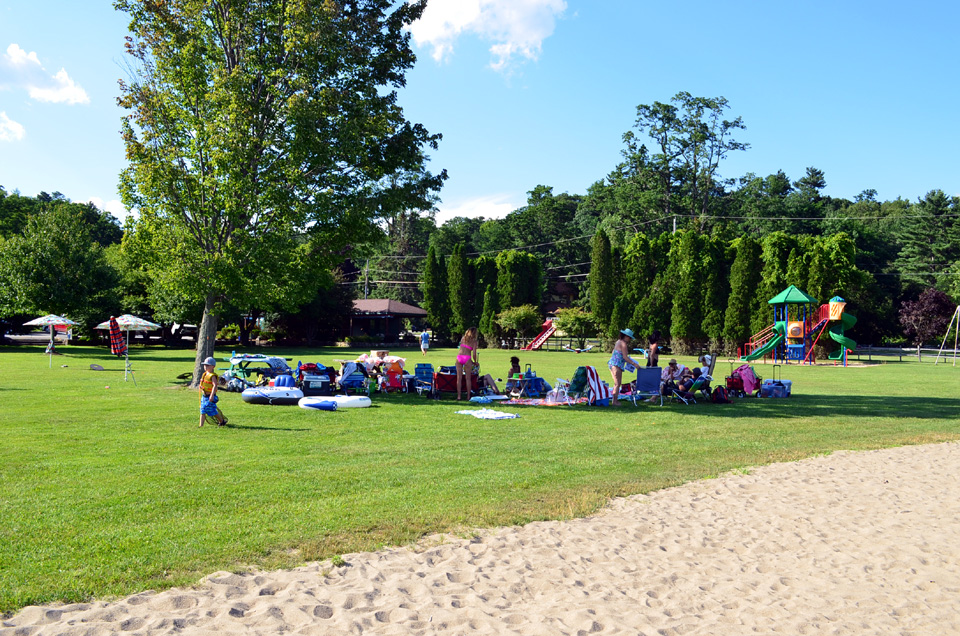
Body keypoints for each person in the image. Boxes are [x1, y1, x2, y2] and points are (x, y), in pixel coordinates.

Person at [608, 328, 644, 406]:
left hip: (612, 364)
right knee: (617, 384)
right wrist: (634, 364)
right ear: (626, 336)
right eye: (630, 338)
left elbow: (613, 352)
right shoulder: (623, 344)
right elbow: (625, 357)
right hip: (616, 365)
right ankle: (615, 401)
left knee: (616, 383)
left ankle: (614, 400)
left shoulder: (618, 342)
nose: (630, 340)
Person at [198, 356, 228, 427]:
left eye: (208, 365)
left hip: (210, 396)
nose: (206, 367)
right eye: (205, 365)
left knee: (212, 410)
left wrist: (211, 395)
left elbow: (215, 385)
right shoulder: (204, 374)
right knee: (202, 410)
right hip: (204, 396)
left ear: (213, 367)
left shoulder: (212, 376)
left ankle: (221, 421)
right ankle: (200, 426)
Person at [455, 327, 480, 401]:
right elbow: (474, 354)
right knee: (468, 379)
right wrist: (475, 362)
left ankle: (459, 396)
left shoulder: (463, 338)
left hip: (459, 357)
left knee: (459, 378)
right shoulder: (474, 342)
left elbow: (461, 348)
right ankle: (468, 396)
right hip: (467, 358)